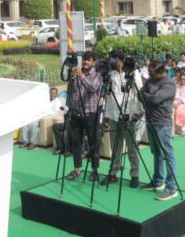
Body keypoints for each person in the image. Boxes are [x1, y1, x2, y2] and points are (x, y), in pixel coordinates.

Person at [101, 52, 143, 188]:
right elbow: (108, 96)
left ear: (119, 59)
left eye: (112, 59)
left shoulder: (133, 73)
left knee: (132, 147)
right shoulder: (111, 74)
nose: (110, 61)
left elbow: (139, 93)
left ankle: (135, 174)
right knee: (115, 147)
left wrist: (138, 112)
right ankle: (113, 173)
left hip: (128, 115)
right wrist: (106, 116)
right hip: (113, 115)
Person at [140, 63, 178, 201]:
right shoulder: (151, 80)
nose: (149, 75)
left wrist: (147, 95)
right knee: (156, 153)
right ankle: (157, 181)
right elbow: (139, 94)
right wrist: (149, 96)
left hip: (162, 124)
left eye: (151, 73)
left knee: (168, 155)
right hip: (150, 121)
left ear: (160, 71)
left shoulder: (169, 84)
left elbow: (156, 99)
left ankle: (171, 188)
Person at [65, 52, 102, 181]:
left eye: (88, 60)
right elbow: (71, 92)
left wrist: (81, 76)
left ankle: (94, 170)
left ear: (94, 62)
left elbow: (93, 88)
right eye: (84, 59)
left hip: (90, 113)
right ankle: (77, 169)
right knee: (76, 142)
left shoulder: (97, 75)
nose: (85, 62)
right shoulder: (75, 73)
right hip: (75, 113)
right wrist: (69, 109)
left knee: (93, 142)